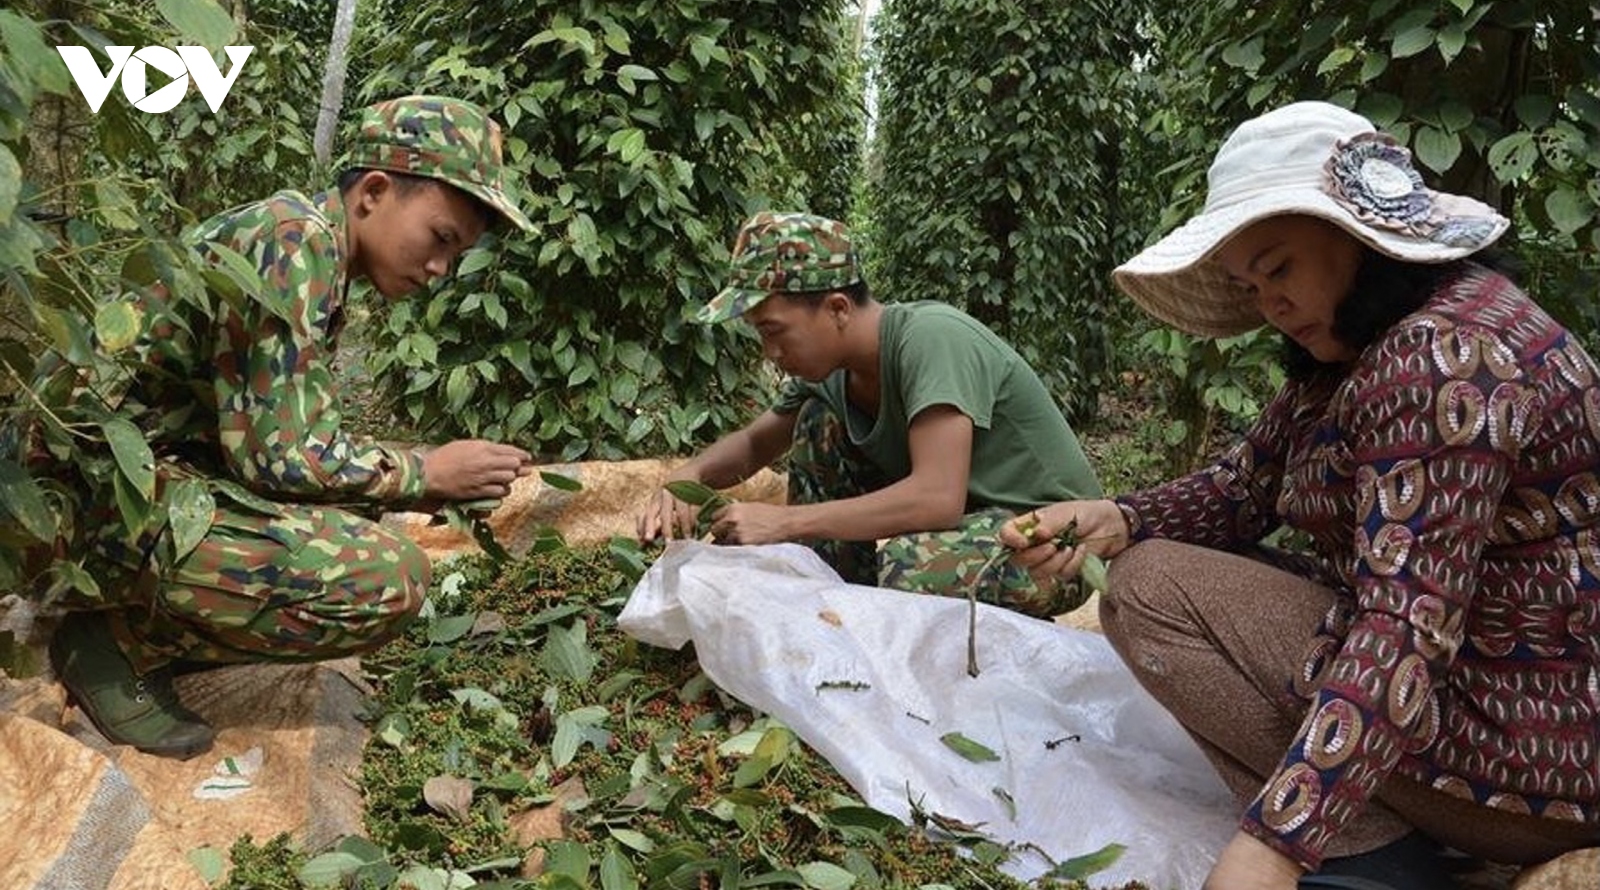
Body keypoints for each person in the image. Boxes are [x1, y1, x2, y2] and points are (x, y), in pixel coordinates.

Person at [1000, 100, 1600, 889]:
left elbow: (1408, 626)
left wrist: (1277, 843)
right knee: (1149, 559)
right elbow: (1243, 490)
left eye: (1279, 268)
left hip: (1538, 758)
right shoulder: (1357, 349)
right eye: (1250, 287)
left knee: (1150, 593)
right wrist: (1119, 517)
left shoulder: (1439, 359)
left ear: (1362, 240)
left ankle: (1374, 858)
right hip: (1513, 717)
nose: (1270, 305)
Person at [40, 95, 537, 759]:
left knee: (350, 522)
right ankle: (117, 643)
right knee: (388, 579)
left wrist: (398, 484)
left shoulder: (308, 240)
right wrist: (425, 472)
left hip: (120, 475)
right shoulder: (296, 241)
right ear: (375, 191)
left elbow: (272, 437)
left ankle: (148, 616)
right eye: (441, 238)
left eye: (457, 253)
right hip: (72, 496)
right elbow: (284, 458)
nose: (441, 269)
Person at [636, 210, 1103, 615]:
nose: (771, 352)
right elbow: (756, 443)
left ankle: (987, 652)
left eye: (776, 331)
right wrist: (684, 480)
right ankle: (838, 610)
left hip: (1050, 540)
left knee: (913, 564)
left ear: (837, 308)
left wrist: (784, 522)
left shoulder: (932, 339)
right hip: (970, 525)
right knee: (815, 425)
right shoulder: (830, 375)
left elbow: (937, 498)